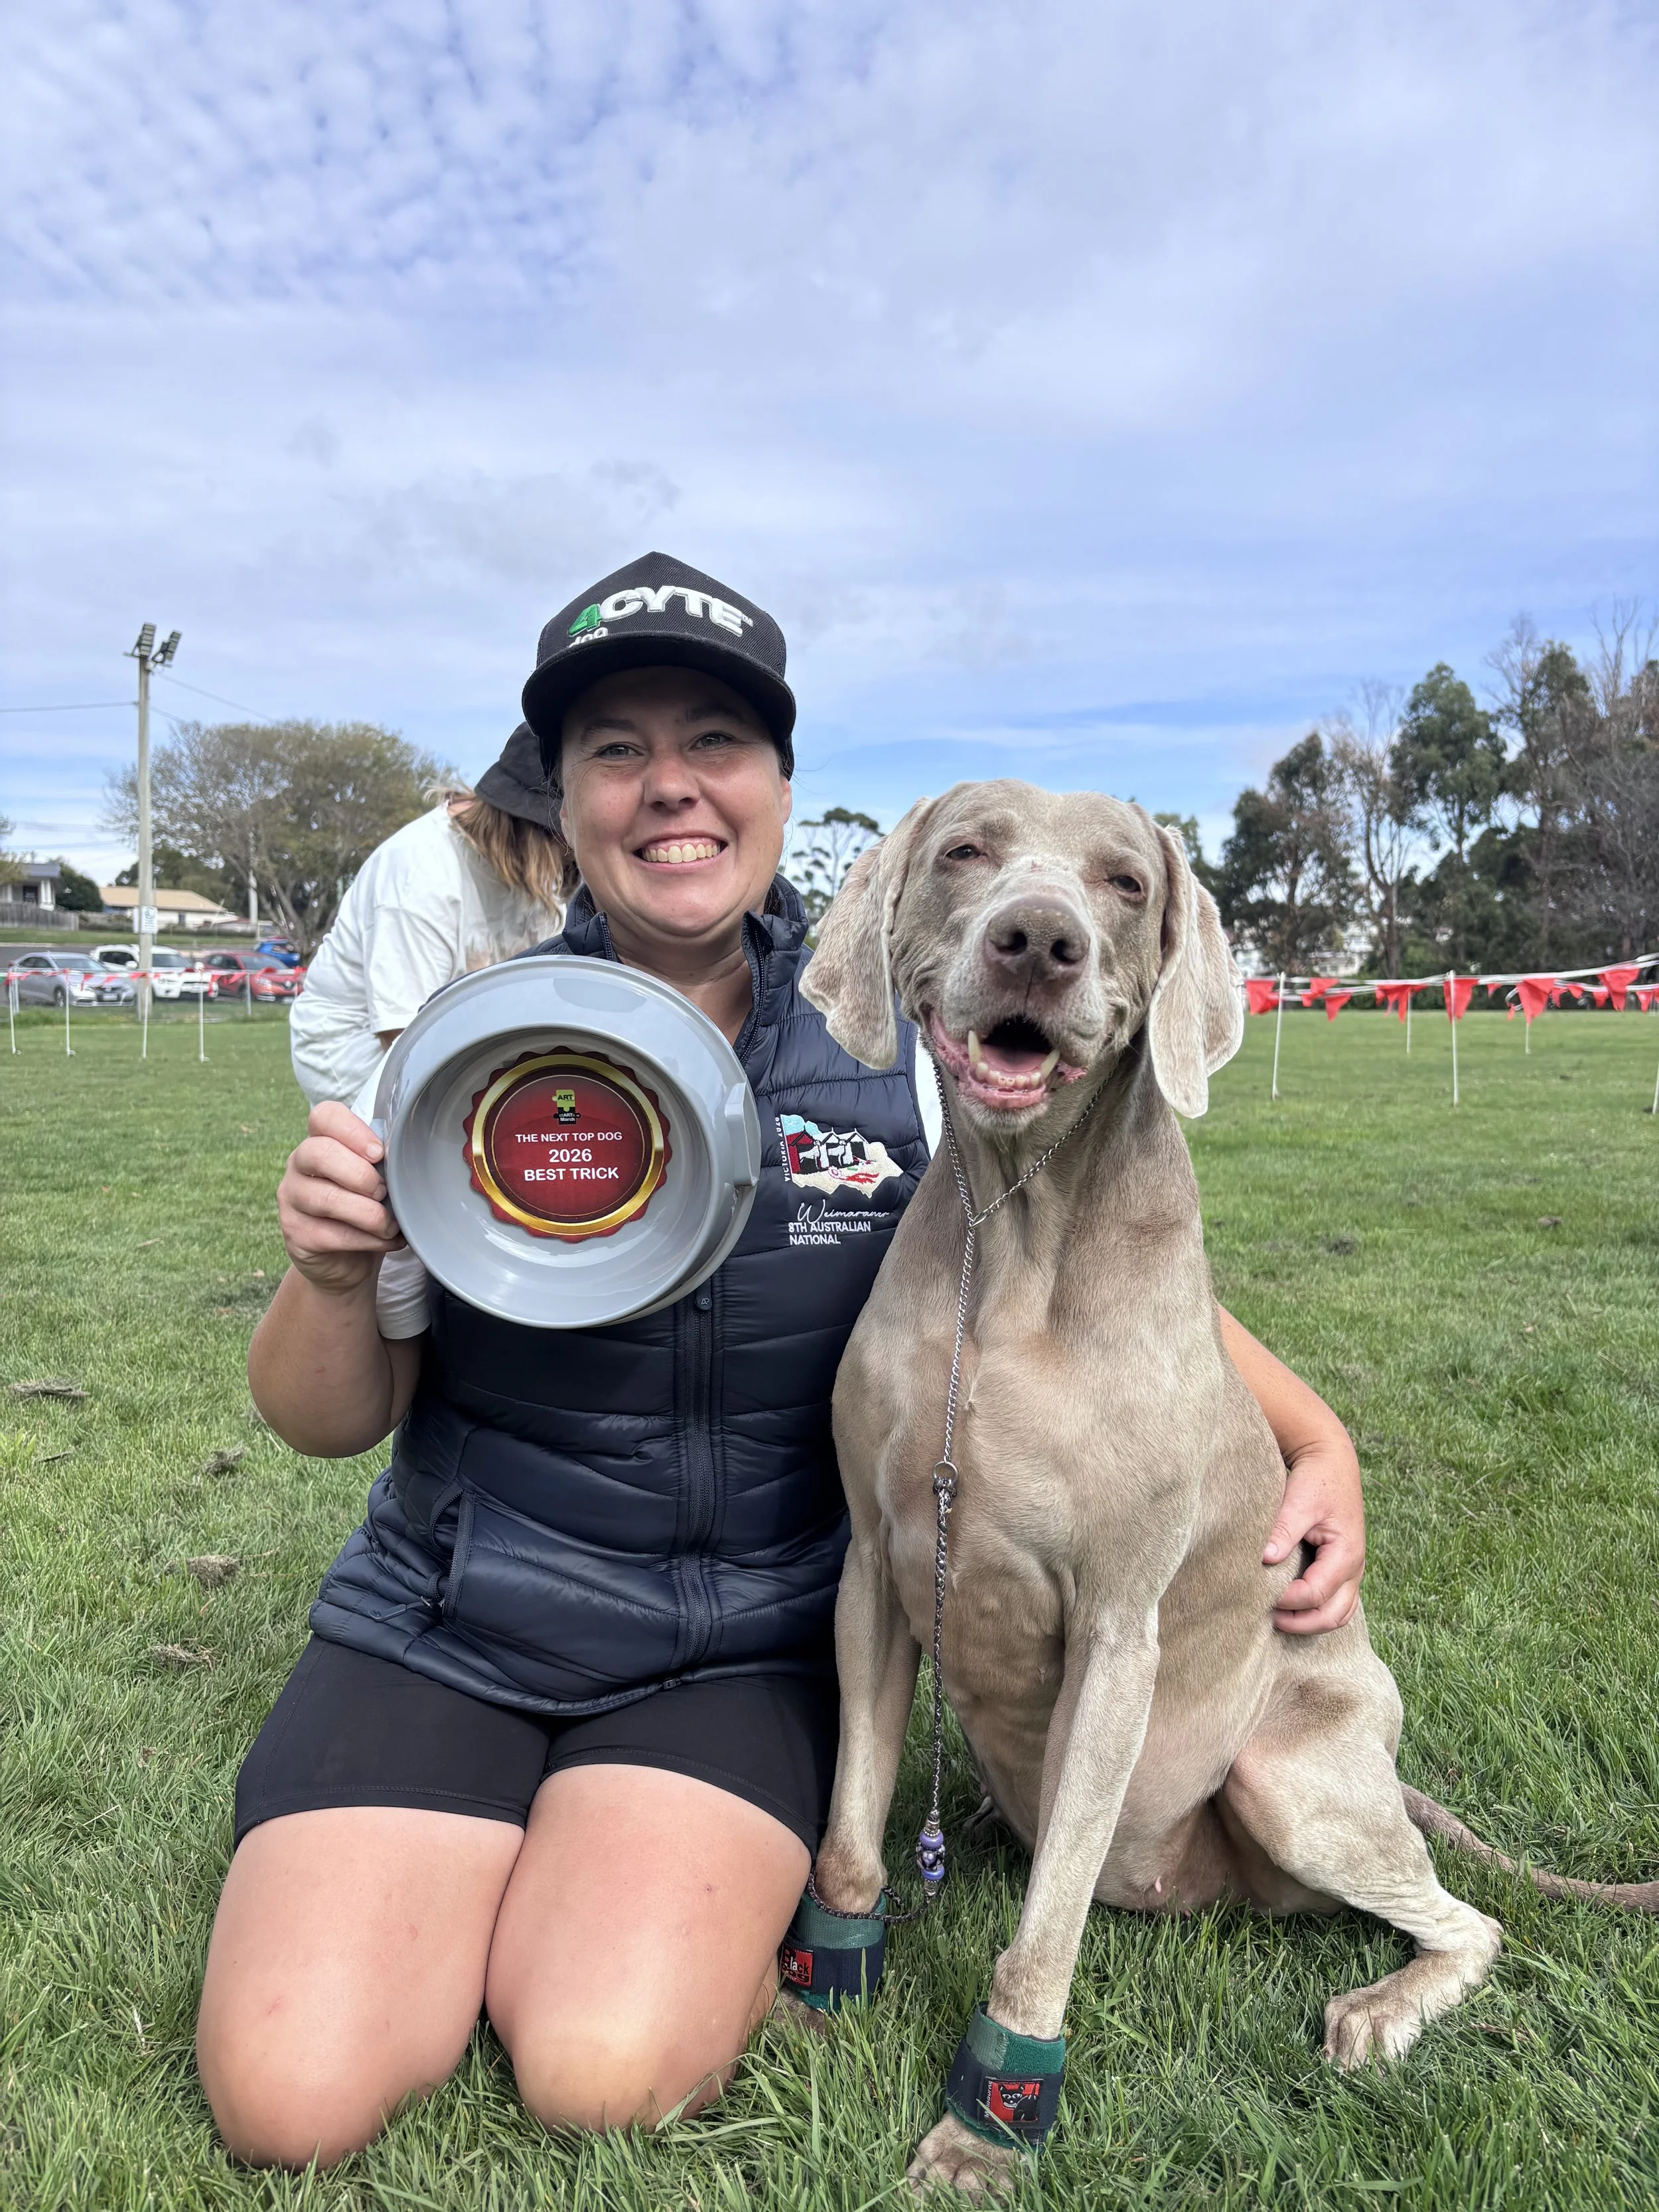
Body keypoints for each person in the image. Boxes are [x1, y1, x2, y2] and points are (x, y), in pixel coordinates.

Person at [196, 552, 1367, 2167]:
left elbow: (1093, 1282)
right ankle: (485, 1856)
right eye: (618, 748)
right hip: (456, 1615)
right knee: (290, 2097)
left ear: (779, 786)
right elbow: (327, 1420)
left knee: (603, 2072)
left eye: (717, 744)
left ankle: (601, 1881)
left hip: (736, 1651)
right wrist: (330, 1268)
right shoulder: (469, 1043)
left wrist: (1317, 1440)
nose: (671, 786)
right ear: (571, 795)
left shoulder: (907, 1051)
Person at [287, 723, 574, 1106]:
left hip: (458, 1030)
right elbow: (403, 1034)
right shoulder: (419, 875)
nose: (571, 859)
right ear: (531, 832)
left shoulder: (529, 873)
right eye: (564, 841)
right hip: (359, 1052)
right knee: (403, 1151)